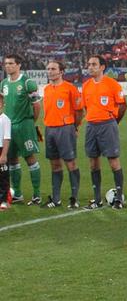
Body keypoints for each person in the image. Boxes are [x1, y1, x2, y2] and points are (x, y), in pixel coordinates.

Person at [81, 55, 127, 210]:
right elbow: (86, 107)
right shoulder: (86, 85)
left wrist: (113, 121)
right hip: (91, 126)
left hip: (107, 125)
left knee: (113, 162)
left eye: (94, 64)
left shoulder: (112, 84)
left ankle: (119, 199)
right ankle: (97, 199)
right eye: (89, 64)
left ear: (102, 67)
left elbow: (122, 106)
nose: (90, 67)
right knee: (93, 163)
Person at [40, 61, 84, 209]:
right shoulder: (46, 89)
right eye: (48, 69)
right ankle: (56, 199)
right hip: (50, 129)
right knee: (55, 164)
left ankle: (74, 198)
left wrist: (74, 127)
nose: (50, 71)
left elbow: (79, 111)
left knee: (70, 163)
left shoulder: (70, 89)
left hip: (65, 129)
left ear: (61, 71)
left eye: (53, 69)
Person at [1, 54, 42, 204]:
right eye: (6, 63)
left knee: (30, 158)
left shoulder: (27, 83)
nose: (8, 66)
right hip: (8, 127)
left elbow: (37, 105)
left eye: (11, 63)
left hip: (24, 126)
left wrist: (31, 122)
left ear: (19, 65)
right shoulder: (4, 83)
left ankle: (37, 194)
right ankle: (17, 193)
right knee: (11, 160)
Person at [0, 94, 11, 211]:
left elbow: (7, 138)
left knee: (3, 176)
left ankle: (4, 200)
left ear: (3, 104)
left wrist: (3, 154)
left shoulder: (5, 119)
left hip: (1, 149)